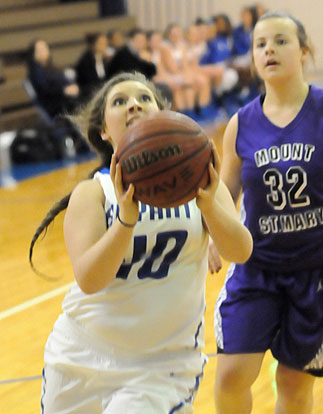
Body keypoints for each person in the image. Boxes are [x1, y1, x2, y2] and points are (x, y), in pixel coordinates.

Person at [29, 71, 253, 413]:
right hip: (81, 357)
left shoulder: (200, 184)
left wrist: (209, 206)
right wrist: (124, 221)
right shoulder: (93, 194)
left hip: (160, 365)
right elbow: (90, 279)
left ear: (163, 115)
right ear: (104, 130)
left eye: (144, 98)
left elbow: (241, 250)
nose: (133, 104)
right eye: (119, 101)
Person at [213, 11, 323, 414]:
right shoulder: (241, 125)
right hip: (255, 267)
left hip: (315, 271)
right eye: (260, 44)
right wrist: (212, 233)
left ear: (304, 52)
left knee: (293, 384)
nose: (269, 50)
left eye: (280, 40)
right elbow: (226, 191)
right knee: (230, 375)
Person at [26, 39, 80, 118]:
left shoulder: (51, 67)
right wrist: (64, 91)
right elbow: (45, 89)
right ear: (33, 54)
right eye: (40, 50)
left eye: (45, 48)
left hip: (64, 99)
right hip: (55, 104)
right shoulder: (36, 72)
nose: (43, 51)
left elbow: (63, 79)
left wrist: (71, 86)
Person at [75, 32, 110, 102]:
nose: (105, 46)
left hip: (101, 88)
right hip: (89, 91)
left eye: (105, 43)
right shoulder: (86, 60)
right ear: (94, 45)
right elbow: (89, 81)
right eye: (101, 43)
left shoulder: (103, 58)